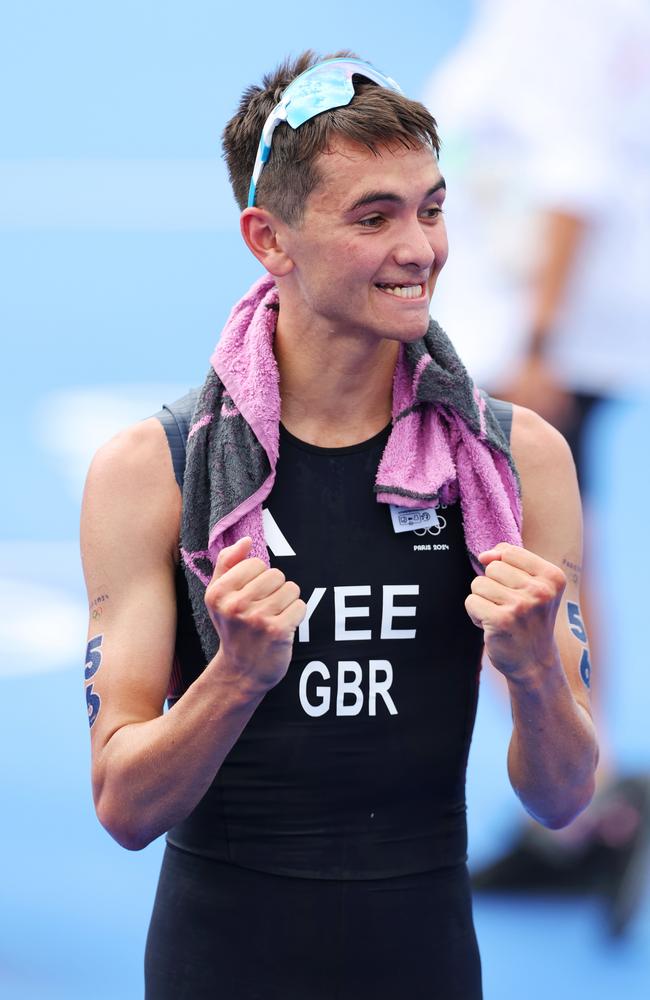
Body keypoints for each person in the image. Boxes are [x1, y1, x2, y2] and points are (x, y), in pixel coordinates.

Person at [80, 52, 598, 1000]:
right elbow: (123, 802)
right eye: (375, 217)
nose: (421, 249)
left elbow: (564, 800)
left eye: (431, 209)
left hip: (425, 960)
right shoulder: (150, 473)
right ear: (268, 239)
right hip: (221, 961)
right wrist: (233, 678)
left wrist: (530, 674)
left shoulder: (517, 459)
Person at [423, 0, 650, 936]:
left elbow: (572, 170)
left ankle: (590, 812)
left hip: (532, 341)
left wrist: (538, 344)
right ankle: (591, 811)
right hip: (531, 329)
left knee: (525, 574)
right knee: (542, 566)